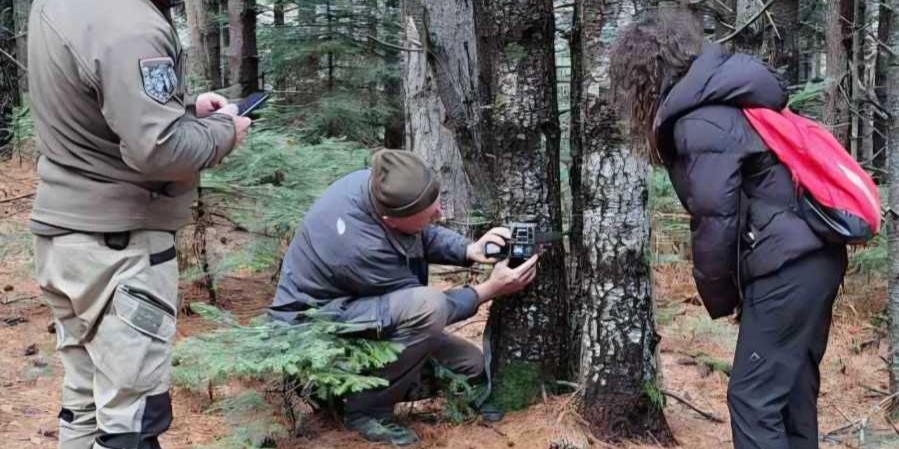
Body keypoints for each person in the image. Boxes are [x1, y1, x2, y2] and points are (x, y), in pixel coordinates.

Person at [608, 9, 847, 449]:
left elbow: (715, 219)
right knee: (790, 394)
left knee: (752, 400)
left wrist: (723, 299)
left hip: (787, 266)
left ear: (644, 74)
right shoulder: (727, 96)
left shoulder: (699, 119)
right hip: (814, 256)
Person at [27, 0, 252, 448]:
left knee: (85, 402)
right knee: (132, 419)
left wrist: (185, 111)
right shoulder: (129, 22)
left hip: (65, 240)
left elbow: (97, 100)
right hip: (119, 250)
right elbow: (161, 152)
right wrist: (225, 129)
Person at [270, 149, 539, 446]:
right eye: (431, 214)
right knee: (428, 306)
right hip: (314, 337)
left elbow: (418, 232)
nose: (440, 215)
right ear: (390, 220)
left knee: (470, 365)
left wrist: (469, 249)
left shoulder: (381, 189)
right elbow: (427, 309)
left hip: (355, 315)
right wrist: (490, 290)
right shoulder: (361, 247)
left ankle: (387, 384)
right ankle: (363, 411)